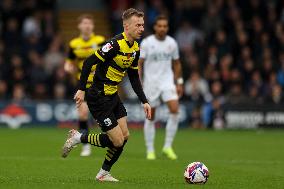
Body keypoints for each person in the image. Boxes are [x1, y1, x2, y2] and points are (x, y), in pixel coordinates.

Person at [62, 8, 151, 182]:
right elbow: (88, 62)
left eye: (142, 24)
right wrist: (81, 89)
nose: (141, 28)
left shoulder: (135, 48)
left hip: (113, 96)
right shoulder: (115, 44)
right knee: (117, 141)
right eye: (137, 25)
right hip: (98, 97)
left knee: (125, 137)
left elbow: (133, 76)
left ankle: (103, 173)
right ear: (126, 26)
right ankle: (78, 137)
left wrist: (144, 101)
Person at [138, 15, 183, 160]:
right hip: (151, 83)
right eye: (160, 26)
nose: (162, 28)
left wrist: (180, 82)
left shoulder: (172, 43)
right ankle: (150, 150)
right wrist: (138, 81)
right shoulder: (146, 43)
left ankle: (167, 146)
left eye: (165, 26)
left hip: (167, 82)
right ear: (155, 27)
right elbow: (139, 63)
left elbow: (176, 63)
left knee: (175, 110)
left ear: (167, 28)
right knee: (151, 116)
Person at [64, 14, 105, 156]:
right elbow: (69, 61)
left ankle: (111, 140)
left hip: (100, 84)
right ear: (79, 26)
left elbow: (108, 58)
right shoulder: (74, 44)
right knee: (82, 114)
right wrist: (67, 66)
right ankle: (85, 145)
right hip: (83, 85)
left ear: (93, 26)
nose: (87, 26)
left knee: (103, 116)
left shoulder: (100, 41)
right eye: (84, 23)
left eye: (89, 23)